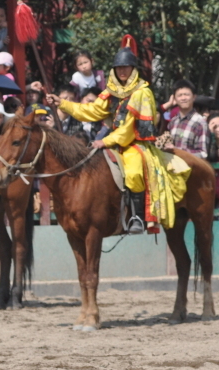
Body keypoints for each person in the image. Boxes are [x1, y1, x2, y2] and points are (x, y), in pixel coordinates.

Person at [48, 38, 184, 234]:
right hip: (113, 142)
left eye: (126, 67)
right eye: (119, 67)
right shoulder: (111, 90)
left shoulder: (142, 92)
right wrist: (62, 103)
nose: (122, 71)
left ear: (133, 68)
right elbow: (93, 111)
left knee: (134, 170)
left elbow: (128, 129)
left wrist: (104, 141)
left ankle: (137, 217)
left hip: (135, 143)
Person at [163, 79, 209, 158]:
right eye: (179, 95)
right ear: (175, 99)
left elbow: (203, 153)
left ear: (194, 97)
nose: (183, 98)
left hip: (192, 168)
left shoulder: (200, 122)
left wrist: (178, 151)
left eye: (186, 94)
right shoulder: (173, 122)